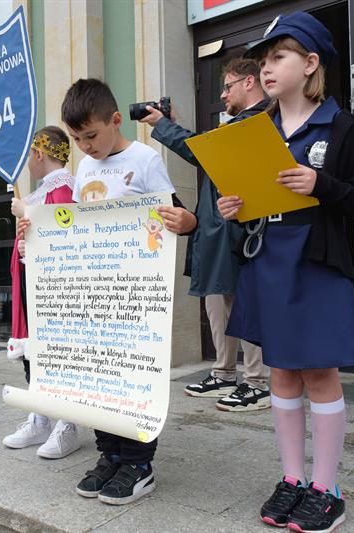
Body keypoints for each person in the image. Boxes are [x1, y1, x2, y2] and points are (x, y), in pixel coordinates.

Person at [216, 12, 354, 532]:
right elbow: (248, 198)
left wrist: (320, 185)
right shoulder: (254, 129)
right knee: (282, 372)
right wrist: (233, 208)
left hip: (317, 263)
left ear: (310, 63)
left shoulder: (342, 127)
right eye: (263, 61)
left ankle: (327, 489)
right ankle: (292, 478)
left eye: (278, 57)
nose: (266, 69)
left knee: (319, 373)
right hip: (268, 261)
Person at [20, 79, 192, 505]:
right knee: (98, 376)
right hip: (94, 289)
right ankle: (109, 455)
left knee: (131, 378)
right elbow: (76, 224)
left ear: (116, 120)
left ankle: (138, 463)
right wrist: (37, 230)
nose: (85, 146)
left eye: (91, 136)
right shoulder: (84, 169)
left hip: (135, 290)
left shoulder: (145, 158)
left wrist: (186, 222)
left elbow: (176, 212)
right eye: (76, 139)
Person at [140, 57, 272, 412]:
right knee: (217, 301)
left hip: (245, 229)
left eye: (227, 87)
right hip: (219, 229)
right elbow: (209, 149)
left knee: (244, 303)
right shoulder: (242, 122)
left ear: (248, 82)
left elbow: (204, 150)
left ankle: (257, 382)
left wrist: (163, 125)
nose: (223, 95)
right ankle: (224, 373)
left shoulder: (261, 118)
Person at [3, 126, 81, 459]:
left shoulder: (62, 189)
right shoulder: (44, 191)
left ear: (38, 154)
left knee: (56, 353)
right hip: (33, 279)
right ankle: (40, 417)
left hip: (53, 287)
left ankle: (67, 424)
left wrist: (27, 214)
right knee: (34, 352)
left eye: (30, 157)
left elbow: (65, 236)